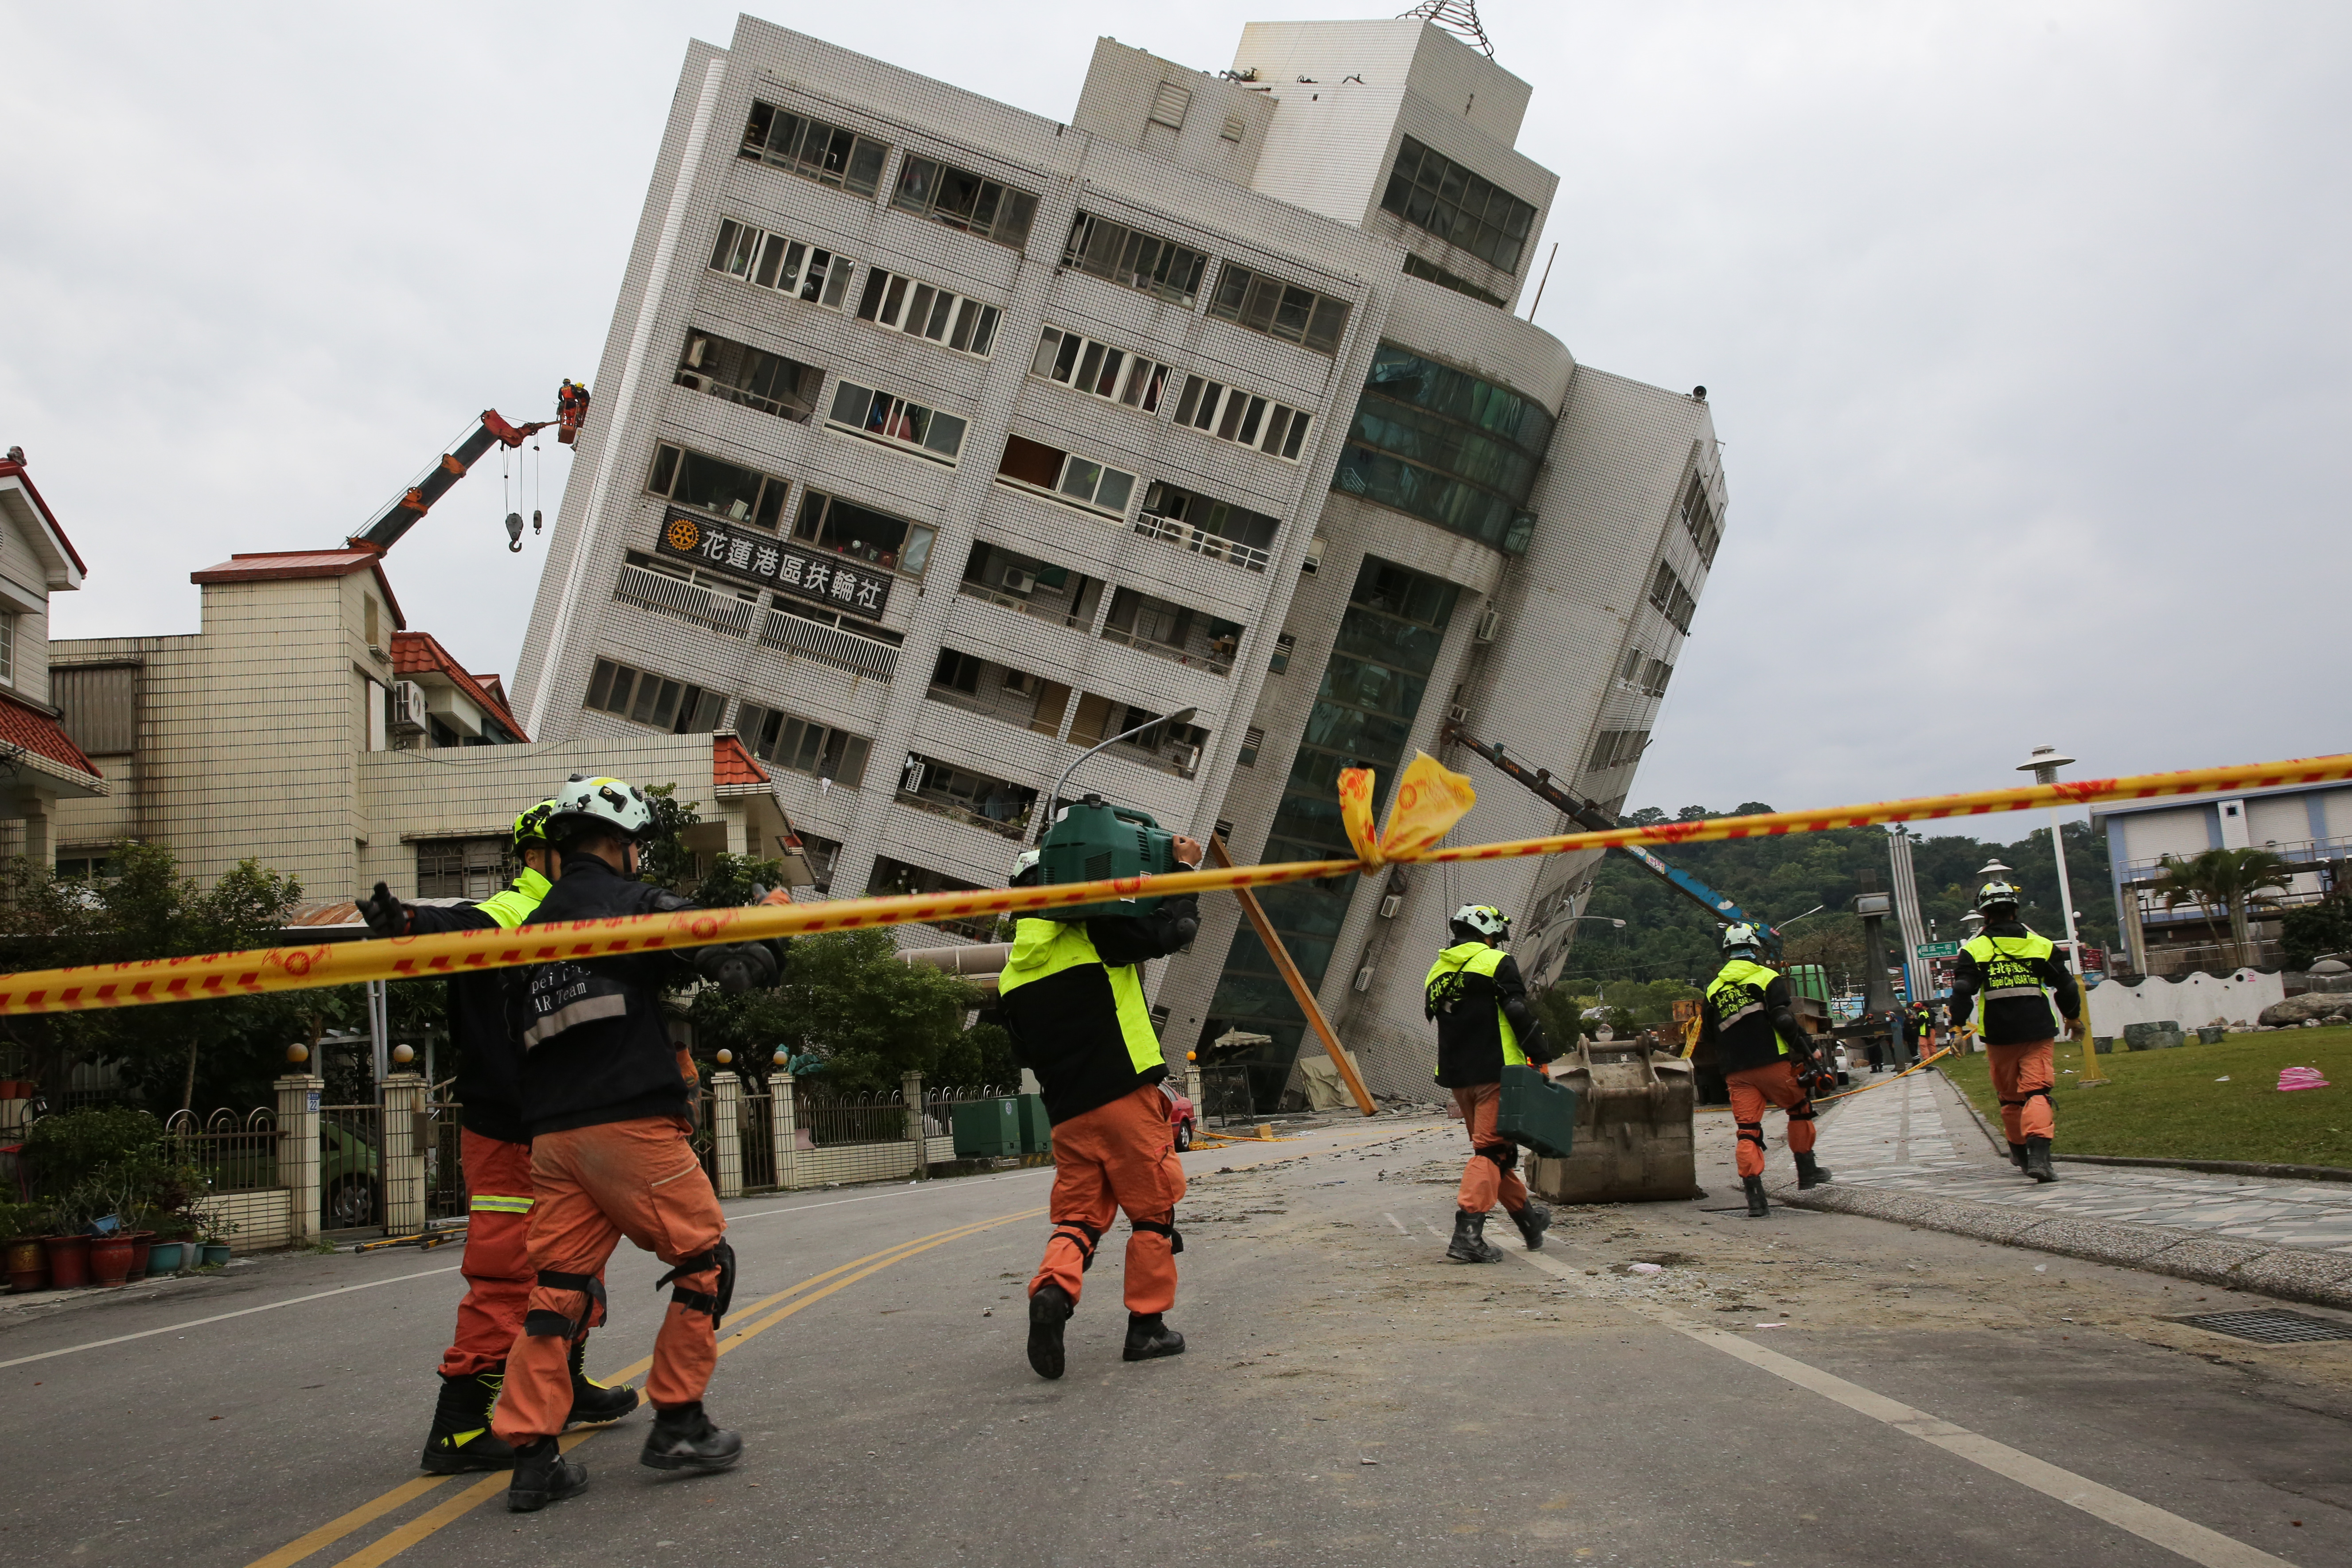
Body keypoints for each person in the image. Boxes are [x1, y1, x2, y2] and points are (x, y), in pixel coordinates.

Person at [489, 775, 788, 1512]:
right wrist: (757, 945)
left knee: (558, 1287)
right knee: (705, 1259)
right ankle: (679, 1420)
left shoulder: (530, 936)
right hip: (627, 1122)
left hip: (553, 1138)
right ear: (623, 845)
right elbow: (709, 938)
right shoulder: (631, 902)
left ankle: (532, 1453)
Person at [356, 801, 638, 1476]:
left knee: (576, 1264)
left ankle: (562, 1388)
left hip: (561, 1124)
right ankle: (458, 1427)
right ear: (538, 856)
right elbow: (461, 924)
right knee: (508, 1277)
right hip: (510, 1130)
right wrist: (410, 923)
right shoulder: (516, 910)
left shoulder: (584, 908)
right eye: (569, 848)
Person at [997, 840, 1202, 1381]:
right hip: (1124, 1098)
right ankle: (1146, 1328)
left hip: (1067, 1115)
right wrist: (1182, 869)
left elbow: (1025, 1055)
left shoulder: (1011, 975)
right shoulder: (1093, 934)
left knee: (1080, 1218)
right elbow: (1175, 928)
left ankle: (1052, 1290)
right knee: (1154, 1213)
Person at [1426, 904, 1556, 1264]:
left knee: (1497, 1152)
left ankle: (1531, 1222)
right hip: (1496, 1072)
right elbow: (1515, 1010)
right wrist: (1540, 1055)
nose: (1497, 942)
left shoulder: (1437, 971)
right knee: (1489, 1153)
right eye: (1496, 936)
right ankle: (1467, 1236)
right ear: (1488, 934)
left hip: (1458, 1078)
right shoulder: (1496, 961)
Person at [1946, 880, 2081, 1183]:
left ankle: (2020, 1153)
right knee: (2037, 1092)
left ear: (1984, 914)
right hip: (2037, 1030)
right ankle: (2041, 1160)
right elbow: (2067, 985)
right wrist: (2073, 1017)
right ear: (2015, 909)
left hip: (1999, 1033)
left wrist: (1956, 1027)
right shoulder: (2042, 945)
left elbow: (1962, 990)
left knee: (2010, 1098)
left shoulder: (1974, 949)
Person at [1698, 923, 1830, 1218]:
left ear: (1727, 952)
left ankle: (1755, 1199)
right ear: (1754, 949)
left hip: (1736, 1071)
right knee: (1799, 1108)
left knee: (1748, 1130)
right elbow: (1783, 1020)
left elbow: (1707, 1034)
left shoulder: (1713, 988)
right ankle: (1807, 1172)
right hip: (1773, 1062)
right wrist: (1808, 1048)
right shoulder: (1767, 977)